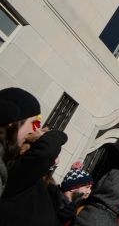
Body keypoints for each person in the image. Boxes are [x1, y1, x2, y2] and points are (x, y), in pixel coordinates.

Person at [0, 87, 69, 226]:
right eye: (34, 122)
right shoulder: (13, 168)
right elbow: (46, 151)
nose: (35, 129)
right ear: (13, 120)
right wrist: (52, 136)